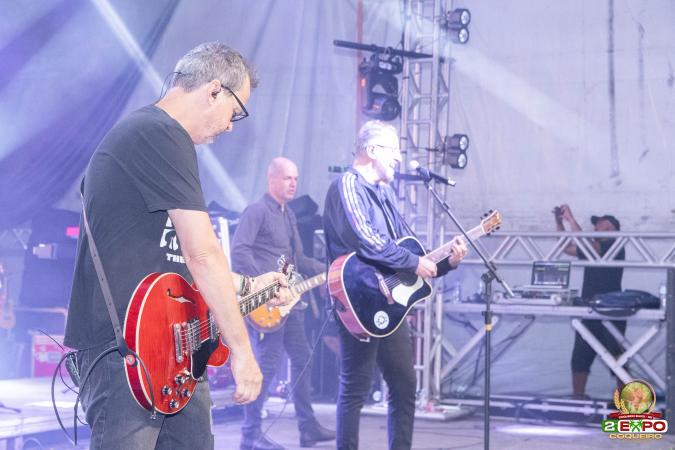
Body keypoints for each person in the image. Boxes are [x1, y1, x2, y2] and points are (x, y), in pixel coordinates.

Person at [64, 42, 291, 449]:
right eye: (235, 112)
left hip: (173, 352)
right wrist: (243, 351)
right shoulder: (159, 133)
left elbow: (179, 262)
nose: (231, 126)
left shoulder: (157, 140)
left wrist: (254, 286)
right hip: (129, 350)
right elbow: (202, 253)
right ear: (215, 90)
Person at [323, 120, 468, 450]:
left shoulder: (385, 194)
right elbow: (368, 240)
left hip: (389, 303)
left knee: (404, 385)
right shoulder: (348, 184)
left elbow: (407, 252)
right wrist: (415, 262)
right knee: (356, 386)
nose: (399, 158)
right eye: (393, 150)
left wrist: (446, 262)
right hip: (358, 300)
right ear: (372, 150)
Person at [231, 157, 335, 450]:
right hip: (265, 305)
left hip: (288, 304)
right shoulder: (256, 211)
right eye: (288, 178)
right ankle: (250, 435)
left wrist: (328, 270)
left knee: (303, 359)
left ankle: (307, 428)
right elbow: (239, 252)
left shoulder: (288, 214)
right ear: (272, 179)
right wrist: (263, 285)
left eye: (296, 179)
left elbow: (297, 259)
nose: (293, 184)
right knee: (268, 364)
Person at [554, 204, 625, 398]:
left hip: (612, 310)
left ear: (611, 228)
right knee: (580, 357)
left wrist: (571, 219)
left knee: (618, 358)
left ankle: (628, 403)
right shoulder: (592, 247)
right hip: (588, 309)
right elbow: (565, 247)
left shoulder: (615, 245)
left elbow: (584, 243)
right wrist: (559, 223)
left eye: (599, 225)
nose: (595, 228)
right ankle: (578, 399)